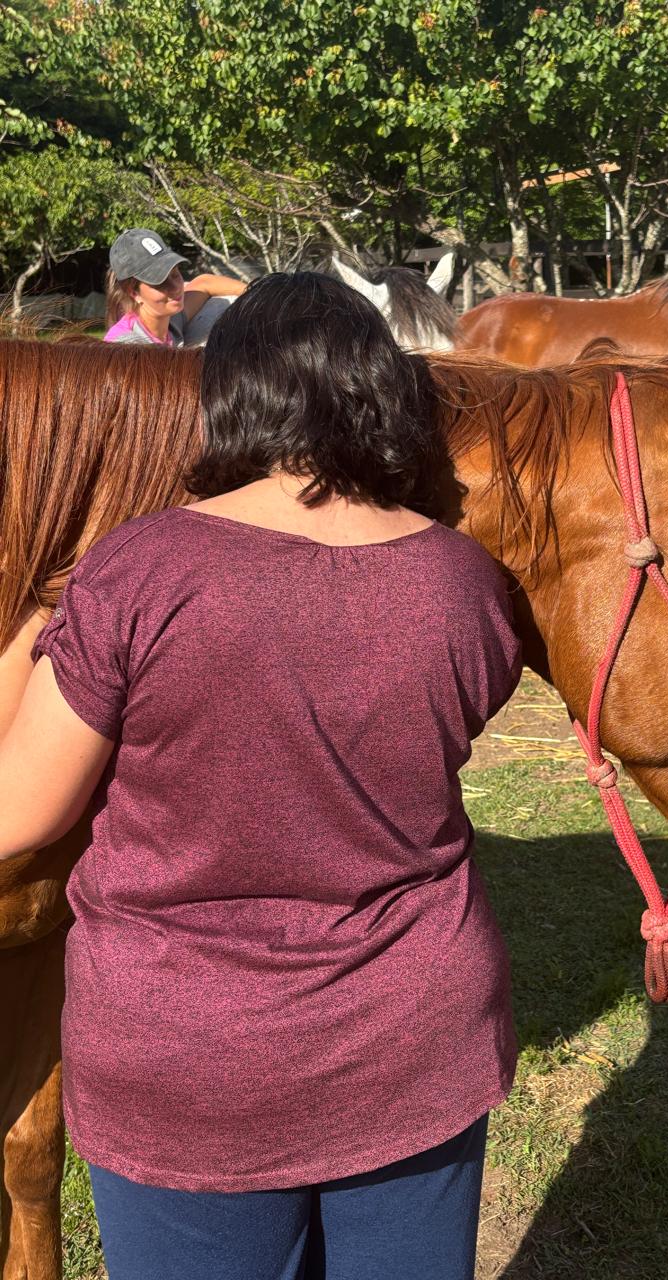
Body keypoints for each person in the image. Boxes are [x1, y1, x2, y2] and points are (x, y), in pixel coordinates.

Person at [0, 273, 522, 1279]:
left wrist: (32, 632)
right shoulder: (465, 581)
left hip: (186, 1069)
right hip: (414, 1041)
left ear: (227, 393)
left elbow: (18, 809)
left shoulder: (134, 570)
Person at [103, 227, 246, 346]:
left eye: (175, 274)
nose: (176, 287)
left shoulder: (171, 320)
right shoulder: (125, 346)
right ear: (134, 293)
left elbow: (204, 283)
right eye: (160, 282)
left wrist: (257, 290)